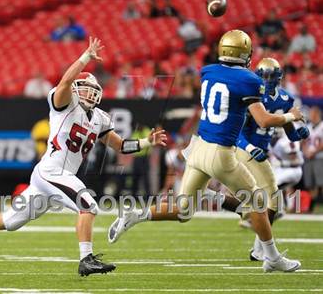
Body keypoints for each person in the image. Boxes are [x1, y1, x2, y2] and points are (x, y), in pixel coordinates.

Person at [0, 37, 167, 276]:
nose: (90, 94)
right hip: (52, 170)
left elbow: (120, 146)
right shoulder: (65, 103)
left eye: (93, 91)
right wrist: (85, 57)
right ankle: (86, 259)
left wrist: (145, 142)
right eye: (85, 89)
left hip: (55, 176)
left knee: (10, 221)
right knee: (87, 204)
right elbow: (66, 81)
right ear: (77, 90)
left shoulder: (100, 118)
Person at [108, 30, 304, 273]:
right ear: (244, 53)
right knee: (260, 201)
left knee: (183, 210)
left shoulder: (208, 71)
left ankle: (135, 216)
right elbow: (263, 121)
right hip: (220, 153)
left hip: (198, 147)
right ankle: (271, 257)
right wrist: (290, 116)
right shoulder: (249, 80)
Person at [218, 58, 310, 260]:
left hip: (260, 151)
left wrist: (301, 133)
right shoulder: (251, 97)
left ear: (279, 78)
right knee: (271, 200)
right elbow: (237, 133)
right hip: (246, 150)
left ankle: (258, 248)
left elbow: (290, 134)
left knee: (263, 203)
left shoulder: (285, 99)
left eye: (271, 77)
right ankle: (262, 250)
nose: (267, 81)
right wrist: (251, 148)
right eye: (264, 76)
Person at [302, 106, 323, 212]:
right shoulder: (308, 126)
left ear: (318, 114)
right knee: (310, 183)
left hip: (319, 157)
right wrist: (306, 152)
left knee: (321, 182)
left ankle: (318, 205)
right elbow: (304, 141)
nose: (311, 116)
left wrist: (314, 152)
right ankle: (311, 206)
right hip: (308, 157)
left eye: (313, 114)